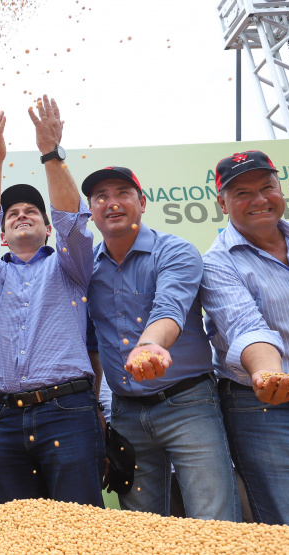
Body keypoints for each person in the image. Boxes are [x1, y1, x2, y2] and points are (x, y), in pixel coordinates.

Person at [82, 166, 239, 521]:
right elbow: (86, 341)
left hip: (188, 404)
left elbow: (170, 307)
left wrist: (149, 344)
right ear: (91, 211)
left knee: (214, 521)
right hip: (125, 412)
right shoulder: (86, 267)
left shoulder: (175, 251)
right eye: (101, 197)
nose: (112, 203)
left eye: (123, 193)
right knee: (143, 529)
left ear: (142, 202)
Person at [0, 98, 104, 508]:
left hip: (68, 410)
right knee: (17, 532)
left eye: (32, 211)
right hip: (7, 419)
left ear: (47, 229)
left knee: (78, 525)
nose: (21, 214)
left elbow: (73, 221)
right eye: (12, 213)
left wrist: (50, 153)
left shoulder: (71, 267)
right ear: (2, 234)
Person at [200, 149, 289, 527]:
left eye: (267, 187)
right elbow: (246, 326)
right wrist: (269, 373)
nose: (259, 200)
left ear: (280, 189)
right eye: (242, 193)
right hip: (270, 413)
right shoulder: (216, 262)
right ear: (222, 204)